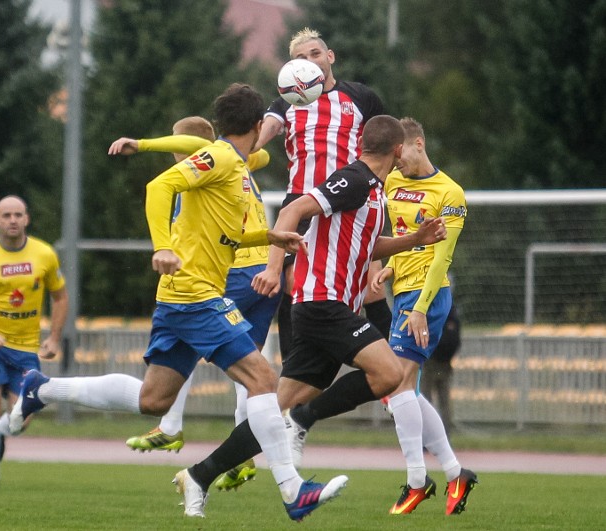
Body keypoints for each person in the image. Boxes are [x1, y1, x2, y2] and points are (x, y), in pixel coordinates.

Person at [10, 84, 347, 522]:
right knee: (263, 379)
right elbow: (158, 186)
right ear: (255, 125)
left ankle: (43, 388)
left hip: (183, 297)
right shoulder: (223, 157)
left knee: (154, 399)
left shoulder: (237, 166)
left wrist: (267, 236)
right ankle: (292, 490)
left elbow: (222, 234)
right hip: (195, 295)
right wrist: (162, 246)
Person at [178, 115, 447, 498]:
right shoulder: (354, 180)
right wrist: (274, 268)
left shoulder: (373, 190)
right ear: (397, 149)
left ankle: (200, 475)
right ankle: (304, 419)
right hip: (323, 303)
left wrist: (414, 239)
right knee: (391, 373)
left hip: (328, 308)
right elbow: (293, 211)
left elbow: (365, 248)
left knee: (274, 410)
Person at [109, 115, 278, 491]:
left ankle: (170, 427)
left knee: (203, 344)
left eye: (175, 144)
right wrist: (262, 133)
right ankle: (244, 456)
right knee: (252, 373)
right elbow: (259, 154)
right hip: (261, 269)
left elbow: (194, 147)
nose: (174, 151)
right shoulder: (242, 160)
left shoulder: (212, 159)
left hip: (234, 273)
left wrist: (143, 143)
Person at [255, 28, 393, 363]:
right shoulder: (286, 99)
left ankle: (399, 373)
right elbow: (265, 131)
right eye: (300, 58)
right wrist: (247, 150)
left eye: (315, 54)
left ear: (329, 57)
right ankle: (293, 369)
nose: (309, 61)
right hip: (301, 204)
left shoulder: (360, 97)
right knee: (292, 283)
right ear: (291, 67)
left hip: (351, 200)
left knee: (371, 288)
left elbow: (385, 144)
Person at [369, 117, 476, 515]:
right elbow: (406, 238)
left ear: (418, 142)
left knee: (394, 387)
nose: (398, 163)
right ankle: (454, 472)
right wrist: (392, 268)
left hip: (427, 299)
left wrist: (418, 308)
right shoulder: (393, 184)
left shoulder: (450, 193)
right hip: (403, 295)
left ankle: (417, 480)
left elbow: (440, 257)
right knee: (402, 392)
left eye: (402, 154)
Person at [0, 195, 69, 489]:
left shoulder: (44, 254)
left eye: (18, 214)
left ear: (27, 219)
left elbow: (60, 297)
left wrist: (54, 338)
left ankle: (1, 433)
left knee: (21, 420)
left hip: (26, 348)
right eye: (6, 215)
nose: (13, 220)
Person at [422, 302, 461, 430]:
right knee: (444, 402)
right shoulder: (452, 311)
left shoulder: (431, 306)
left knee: (425, 399)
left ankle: (428, 436)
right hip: (445, 363)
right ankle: (445, 436)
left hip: (431, 360)